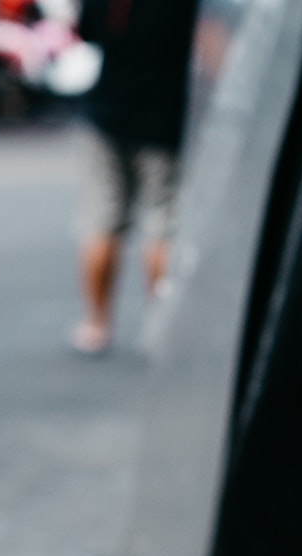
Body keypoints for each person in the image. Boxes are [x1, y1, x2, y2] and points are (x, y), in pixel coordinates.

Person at [72, 0, 201, 354]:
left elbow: (87, 33)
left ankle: (96, 324)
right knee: (161, 224)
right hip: (163, 119)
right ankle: (161, 326)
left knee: (101, 221)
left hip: (107, 113)